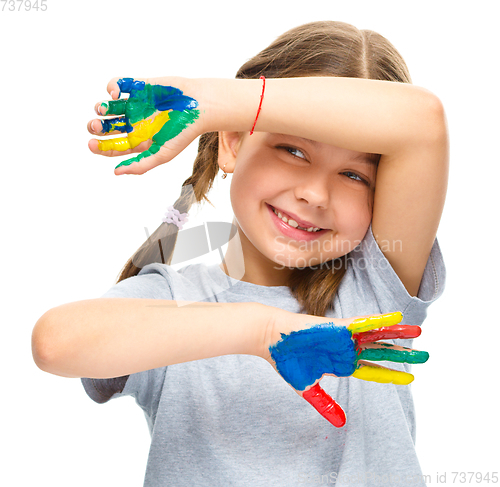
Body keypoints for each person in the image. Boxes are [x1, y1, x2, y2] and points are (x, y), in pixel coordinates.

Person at [32, 20, 448, 487]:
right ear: (233, 142)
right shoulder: (175, 300)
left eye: (355, 175)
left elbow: (424, 122)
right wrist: (258, 330)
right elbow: (55, 343)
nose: (314, 193)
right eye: (291, 148)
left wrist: (214, 102)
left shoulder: (375, 287)